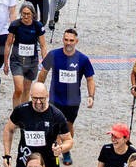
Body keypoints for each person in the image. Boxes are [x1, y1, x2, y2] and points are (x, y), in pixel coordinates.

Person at [40, 26, 95, 157]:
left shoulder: (83, 59)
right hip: (55, 98)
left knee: (68, 125)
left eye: (71, 40)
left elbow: (90, 79)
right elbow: (43, 72)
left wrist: (91, 96)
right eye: (66, 40)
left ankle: (66, 149)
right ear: (63, 40)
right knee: (55, 125)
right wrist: (39, 91)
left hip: (73, 100)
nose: (68, 43)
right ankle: (55, 149)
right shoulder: (53, 55)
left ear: (76, 41)